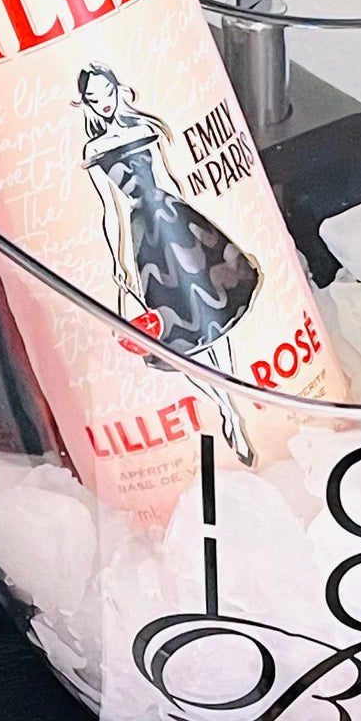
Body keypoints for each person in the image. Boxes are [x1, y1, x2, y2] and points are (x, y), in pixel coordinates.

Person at [78, 64, 261, 464]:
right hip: (146, 239)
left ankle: (231, 408)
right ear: (87, 104)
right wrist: (119, 261)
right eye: (94, 98)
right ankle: (228, 409)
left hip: (178, 222)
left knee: (216, 318)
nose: (103, 102)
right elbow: (111, 210)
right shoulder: (94, 151)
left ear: (117, 88)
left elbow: (168, 180)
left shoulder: (144, 127)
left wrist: (199, 228)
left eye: (106, 91)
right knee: (180, 339)